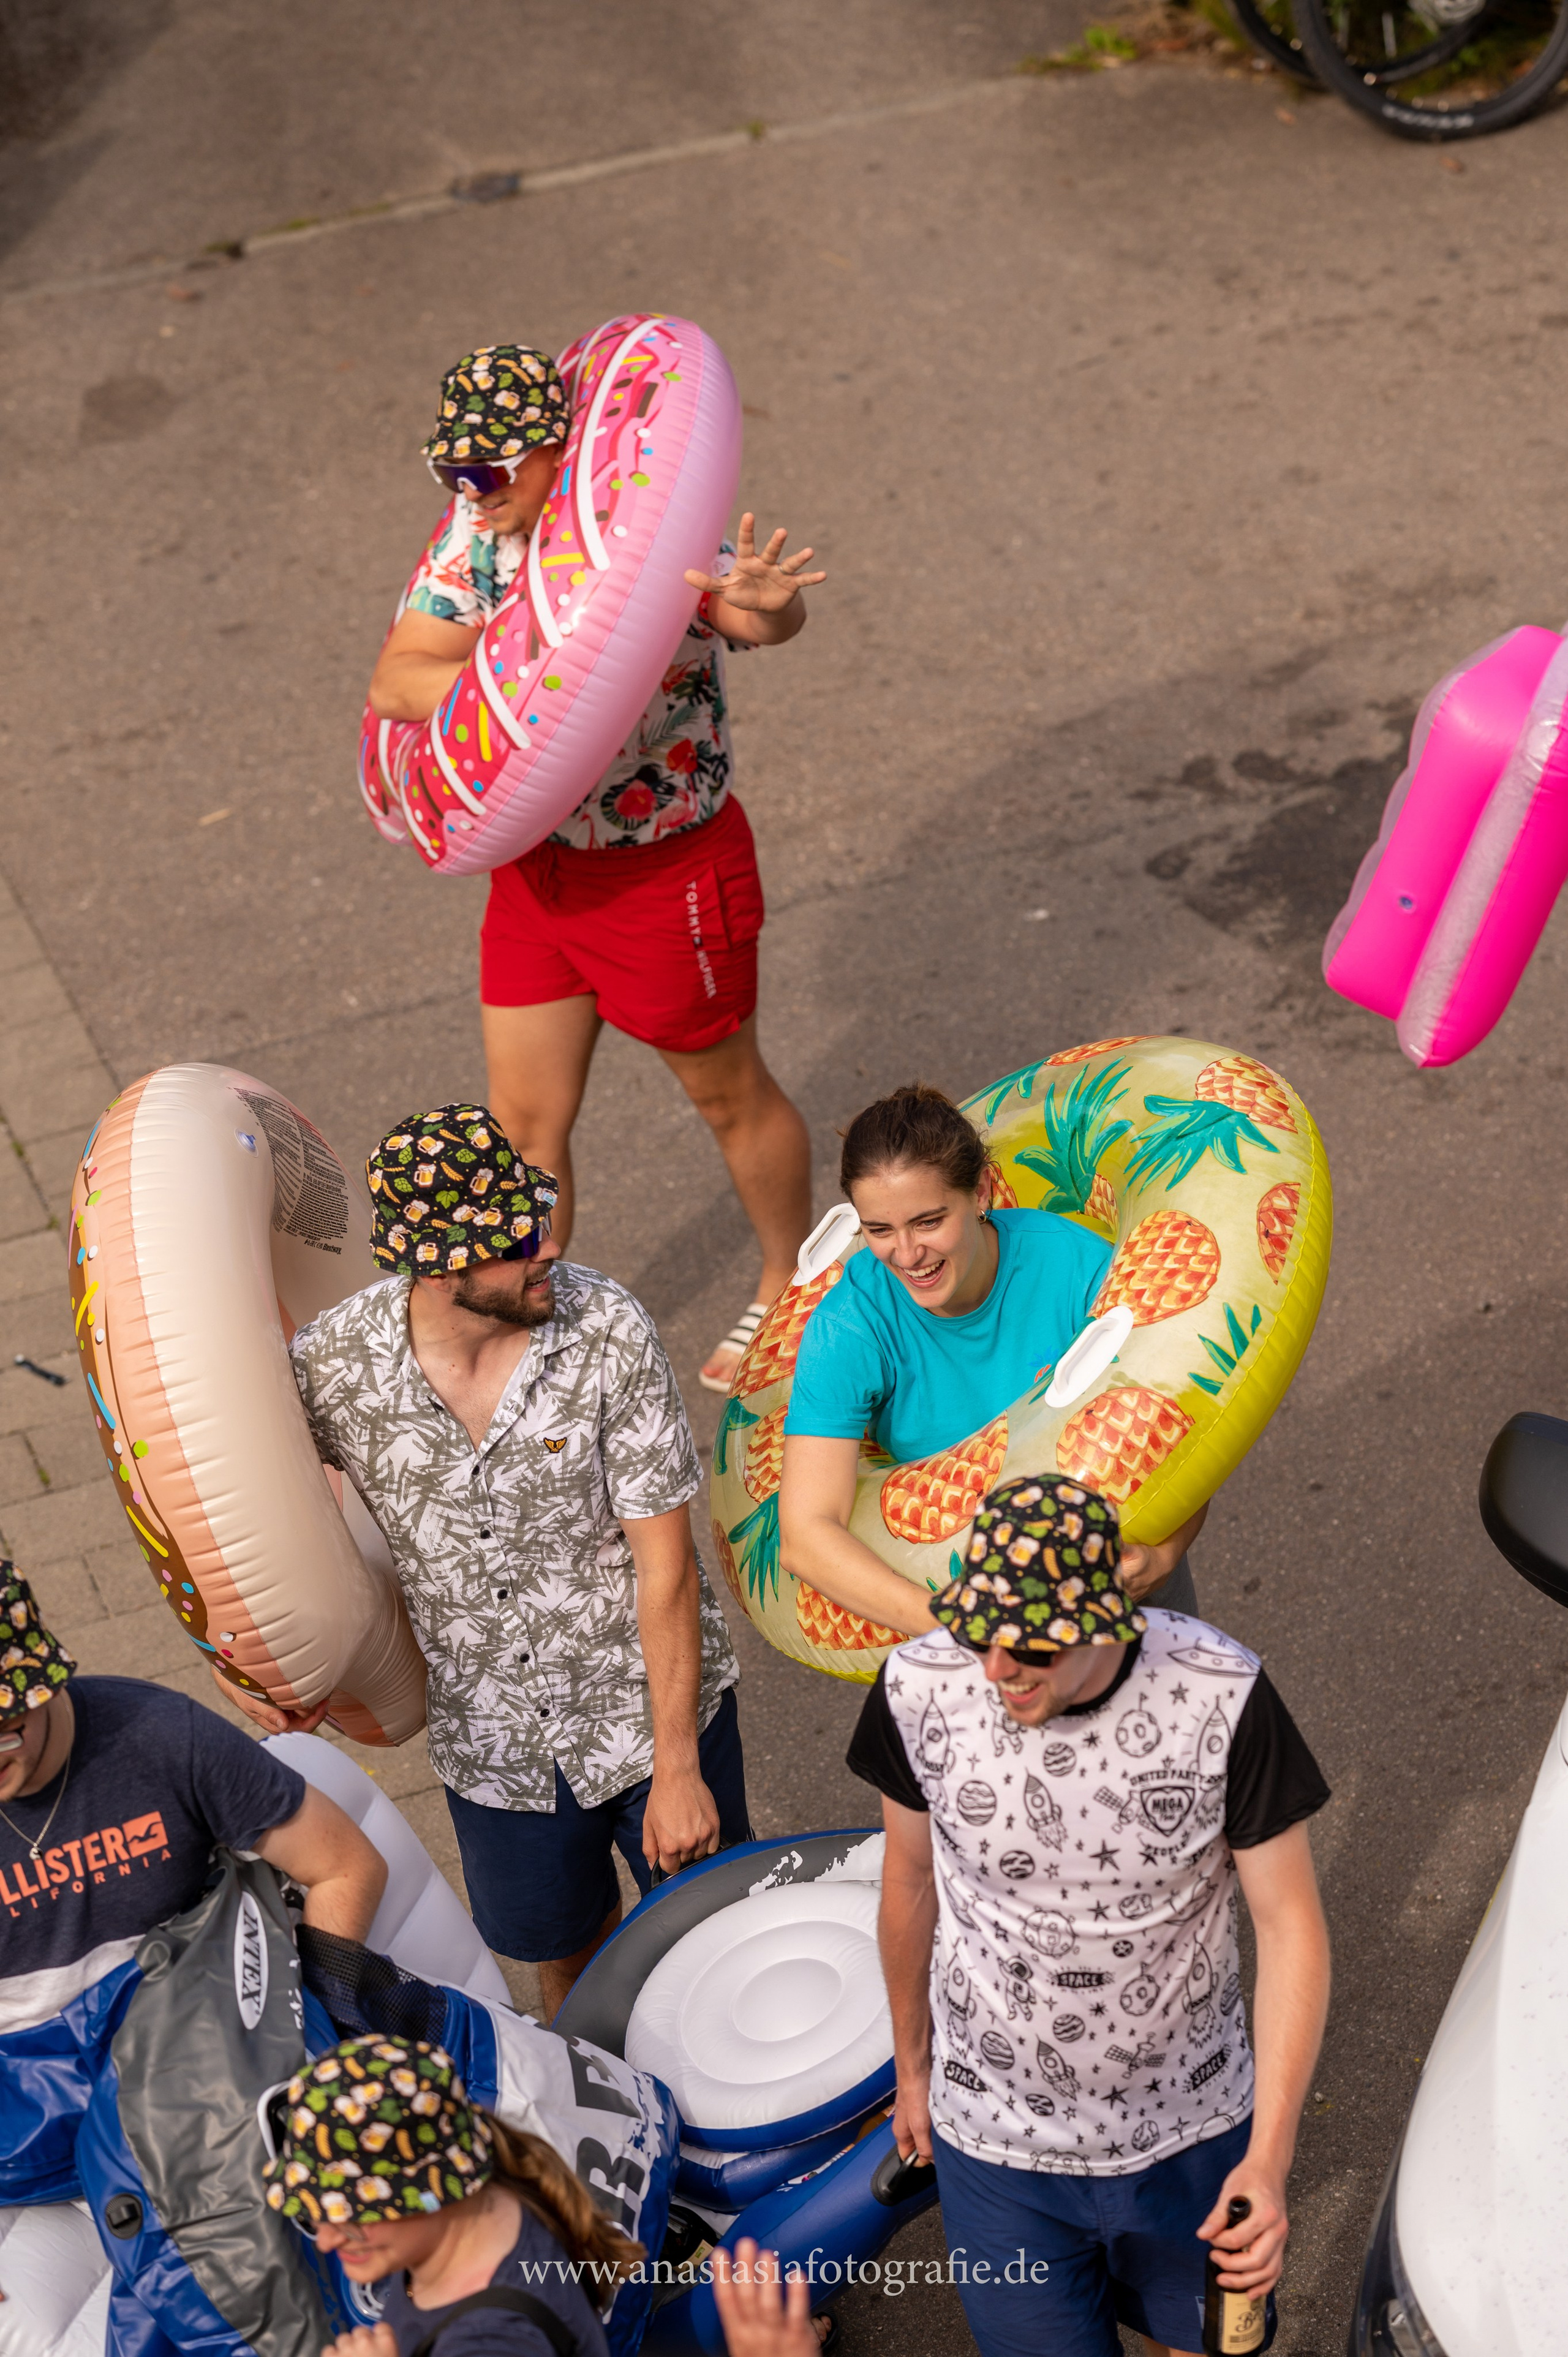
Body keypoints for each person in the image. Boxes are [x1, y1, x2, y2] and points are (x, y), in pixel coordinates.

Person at [219, 1106, 748, 2014]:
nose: (544, 1247)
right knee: (567, 1966)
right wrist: (253, 1656)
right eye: (511, 1241)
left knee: (720, 1946)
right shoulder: (334, 1369)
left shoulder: (606, 1330)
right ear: (434, 1267)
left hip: (647, 1715)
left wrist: (679, 1769)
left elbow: (667, 1567)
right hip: (495, 1746)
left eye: (534, 1220)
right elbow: (253, 1519)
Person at [366, 342, 821, 1391]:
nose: (468, 496)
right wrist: (532, 670)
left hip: (666, 875)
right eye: (452, 475)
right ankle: (545, 1321)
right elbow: (397, 680)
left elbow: (752, 613)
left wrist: (770, 601)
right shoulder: (478, 548)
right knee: (523, 1124)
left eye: (487, 472)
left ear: (554, 452)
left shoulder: (640, 538)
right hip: (537, 875)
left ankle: (787, 1288)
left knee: (728, 1099)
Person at [847, 1475, 1332, 2357]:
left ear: (1104, 1622)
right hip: (996, 2153)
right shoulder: (919, 1687)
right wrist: (911, 2069)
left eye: (1028, 1649)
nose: (995, 1669)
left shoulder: (1223, 1698)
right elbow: (909, 1881)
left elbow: (1291, 1925)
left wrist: (1269, 2156)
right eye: (980, 1634)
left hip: (1193, 2139)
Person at [778, 1084, 1207, 1639]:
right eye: (880, 1230)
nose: (906, 1255)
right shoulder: (851, 1326)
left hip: (1116, 1568)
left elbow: (1180, 1425)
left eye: (929, 1222)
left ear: (980, 1190)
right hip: (963, 1604)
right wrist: (965, 1630)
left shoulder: (1073, 1264)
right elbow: (806, 1534)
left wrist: (1169, 1551)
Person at [0, 1563, 386, 2028]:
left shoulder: (162, 1737)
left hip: (200, 2051)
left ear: (44, 1684)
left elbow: (345, 1867)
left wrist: (312, 2022)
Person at [267, 2035, 638, 2357]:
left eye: (351, 2220)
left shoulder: (492, 2343)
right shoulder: (495, 2184)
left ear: (429, 2195)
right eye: (315, 2213)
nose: (328, 2241)